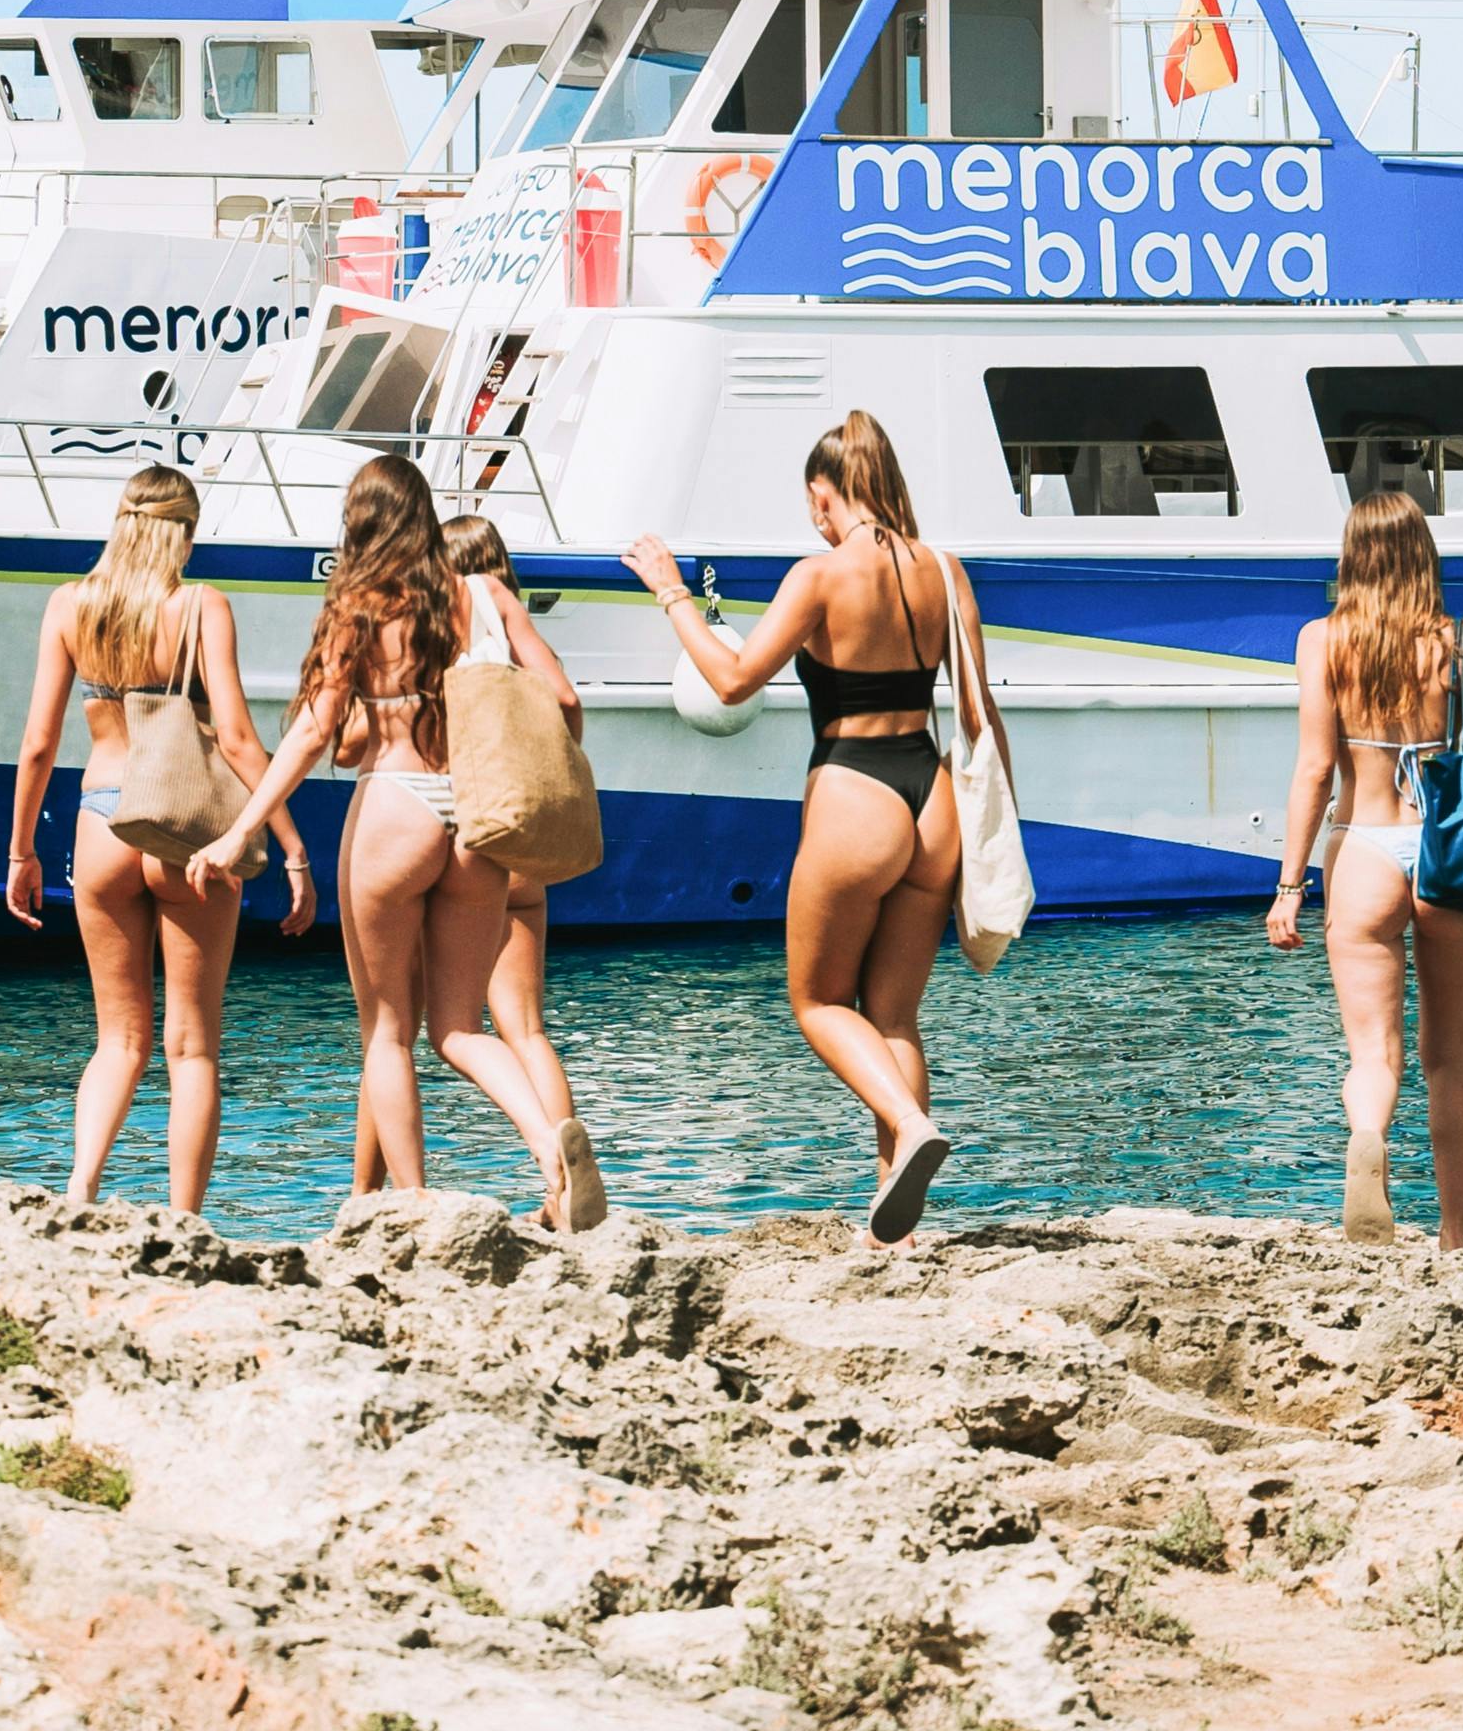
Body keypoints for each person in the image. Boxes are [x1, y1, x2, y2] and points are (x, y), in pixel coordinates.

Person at [202, 456, 610, 1228]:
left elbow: (317, 730)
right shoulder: (482, 592)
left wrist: (241, 827)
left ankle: (413, 1203)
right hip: (475, 819)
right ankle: (547, 1143)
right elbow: (560, 696)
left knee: (388, 1031)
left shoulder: (359, 606)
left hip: (396, 805)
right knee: (461, 1026)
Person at [623, 410, 999, 1246]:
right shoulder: (945, 569)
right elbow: (978, 713)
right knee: (894, 1017)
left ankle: (906, 1125)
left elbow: (729, 680)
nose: (813, 517)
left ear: (825, 492)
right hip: (930, 795)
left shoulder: (821, 574)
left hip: (855, 789)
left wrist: (671, 591)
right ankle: (892, 1221)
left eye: (812, 504)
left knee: (819, 1000)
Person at [1264, 488, 1463, 1252]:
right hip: (1446, 854)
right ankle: (1453, 1235)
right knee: (1447, 1056)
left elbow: (1313, 768)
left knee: (1372, 1055)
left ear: (1352, 555)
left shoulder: (1321, 640)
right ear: (1422, 552)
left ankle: (1368, 1134)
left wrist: (1287, 886)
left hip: (1362, 846)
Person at [5, 463, 307, 1214]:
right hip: (184, 829)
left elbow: (39, 741)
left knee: (118, 1041)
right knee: (191, 1046)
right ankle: (183, 1220)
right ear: (186, 532)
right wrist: (290, 845)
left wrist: (21, 849)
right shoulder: (201, 605)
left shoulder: (71, 604)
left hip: (102, 816)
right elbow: (235, 736)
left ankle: (79, 1189)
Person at [439, 516, 607, 1235]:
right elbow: (567, 702)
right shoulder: (517, 632)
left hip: (467, 829)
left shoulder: (437, 620)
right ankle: (566, 1178)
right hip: (525, 838)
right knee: (529, 1027)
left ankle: (379, 1187)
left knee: (421, 1026)